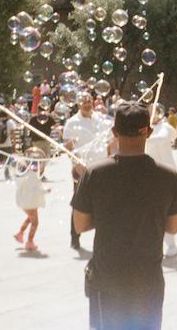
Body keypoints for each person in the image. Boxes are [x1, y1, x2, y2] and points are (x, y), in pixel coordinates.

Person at [72, 102, 177, 330]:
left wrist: (105, 214)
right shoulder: (168, 176)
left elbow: (80, 225)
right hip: (148, 280)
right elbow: (173, 227)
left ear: (115, 132)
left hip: (107, 279)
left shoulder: (95, 173)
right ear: (148, 132)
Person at [63, 100, 110, 251]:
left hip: (102, 168)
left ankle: (102, 238)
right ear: (78, 104)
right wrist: (76, 162)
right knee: (79, 204)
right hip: (82, 169)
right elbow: (68, 146)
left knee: (103, 205)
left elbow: (109, 141)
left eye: (89, 101)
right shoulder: (72, 122)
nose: (87, 104)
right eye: (83, 102)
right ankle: (75, 237)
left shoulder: (100, 119)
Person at [145, 109, 177, 258]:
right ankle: (155, 244)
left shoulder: (165, 126)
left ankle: (171, 244)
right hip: (150, 174)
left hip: (166, 174)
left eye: (154, 112)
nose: (152, 114)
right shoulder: (146, 129)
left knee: (166, 211)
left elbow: (164, 138)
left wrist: (144, 138)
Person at [14, 152, 47, 251]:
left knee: (30, 218)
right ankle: (30, 242)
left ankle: (20, 233)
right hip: (30, 202)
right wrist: (46, 191)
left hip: (25, 201)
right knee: (35, 223)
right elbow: (35, 190)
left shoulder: (23, 175)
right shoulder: (32, 176)